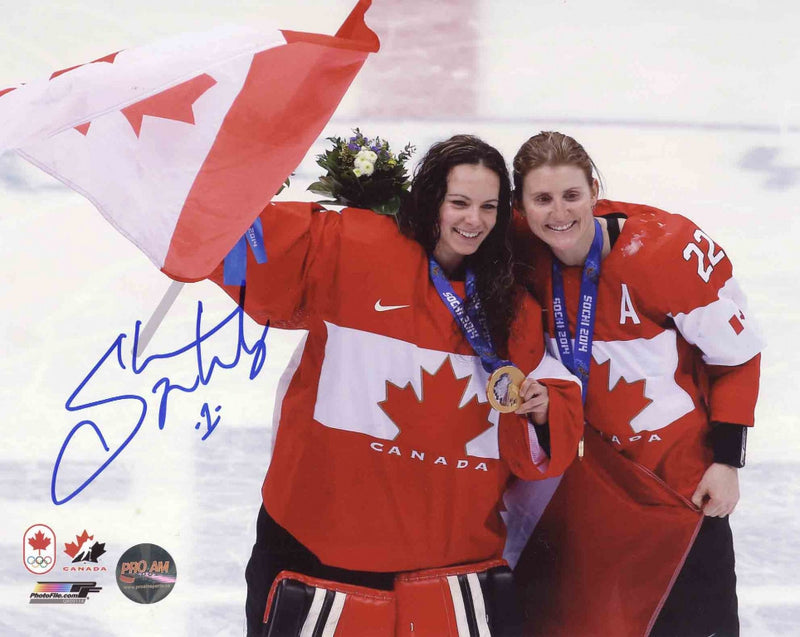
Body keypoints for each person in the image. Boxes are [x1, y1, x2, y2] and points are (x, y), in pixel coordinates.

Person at [209, 134, 584, 636]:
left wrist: (541, 410)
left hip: (450, 571)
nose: (473, 221)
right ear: (429, 199)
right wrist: (229, 202)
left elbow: (555, 425)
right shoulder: (352, 247)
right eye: (459, 203)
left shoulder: (513, 310)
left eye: (488, 207)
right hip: (320, 552)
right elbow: (243, 252)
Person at [510, 131, 764, 636]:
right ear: (520, 205)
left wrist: (726, 460)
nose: (558, 213)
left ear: (595, 190)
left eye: (571, 196)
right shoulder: (516, 250)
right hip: (587, 486)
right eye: (541, 199)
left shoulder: (664, 254)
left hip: (678, 488)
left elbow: (738, 357)